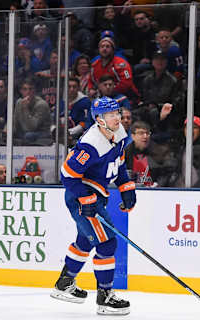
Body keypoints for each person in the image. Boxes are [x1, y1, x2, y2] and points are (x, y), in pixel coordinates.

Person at [51, 96, 135, 315]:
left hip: (97, 195)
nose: (118, 118)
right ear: (99, 119)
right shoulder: (91, 143)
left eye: (118, 113)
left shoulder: (119, 134)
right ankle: (105, 297)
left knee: (86, 241)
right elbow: (68, 174)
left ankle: (65, 283)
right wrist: (85, 200)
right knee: (107, 243)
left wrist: (127, 188)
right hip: (83, 197)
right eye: (111, 114)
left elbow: (120, 164)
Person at [13, 78, 51, 145]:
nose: (28, 92)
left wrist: (25, 108)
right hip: (24, 132)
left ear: (34, 90)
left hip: (42, 133)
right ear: (21, 91)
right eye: (25, 89)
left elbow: (32, 127)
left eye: (30, 89)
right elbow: (15, 122)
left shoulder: (41, 104)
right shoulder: (19, 102)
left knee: (28, 135)